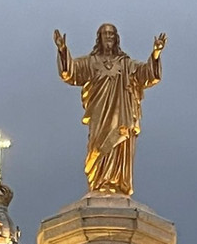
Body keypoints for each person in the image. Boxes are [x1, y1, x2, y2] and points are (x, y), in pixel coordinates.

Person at [54, 23, 167, 195]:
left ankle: (115, 183)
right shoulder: (91, 62)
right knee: (97, 147)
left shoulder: (126, 64)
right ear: (99, 38)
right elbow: (71, 72)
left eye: (111, 34)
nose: (108, 37)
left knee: (118, 143)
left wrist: (156, 53)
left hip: (121, 114)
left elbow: (146, 74)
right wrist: (63, 50)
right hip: (99, 114)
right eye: (105, 34)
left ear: (116, 39)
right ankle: (99, 181)